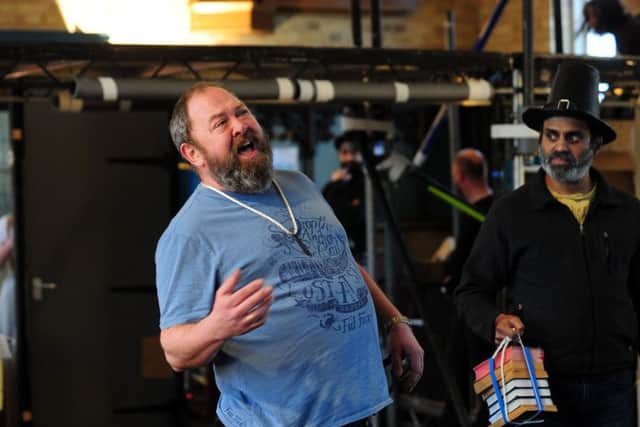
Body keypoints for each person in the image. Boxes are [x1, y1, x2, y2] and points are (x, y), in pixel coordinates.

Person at [155, 82, 424, 427]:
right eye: (221, 123)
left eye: (242, 111)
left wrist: (394, 320)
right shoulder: (189, 234)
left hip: (356, 411)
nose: (241, 125)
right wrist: (216, 327)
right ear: (193, 153)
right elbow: (174, 351)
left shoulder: (298, 184)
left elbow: (340, 262)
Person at [455, 60, 640, 427]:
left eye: (573, 137)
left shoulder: (628, 213)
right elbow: (470, 291)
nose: (559, 147)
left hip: (614, 388)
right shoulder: (512, 212)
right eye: (551, 135)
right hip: (539, 386)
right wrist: (494, 319)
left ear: (596, 142)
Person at [322, 134, 366, 263]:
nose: (349, 158)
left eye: (354, 152)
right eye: (344, 153)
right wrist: (335, 184)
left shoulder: (367, 184)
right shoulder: (334, 185)